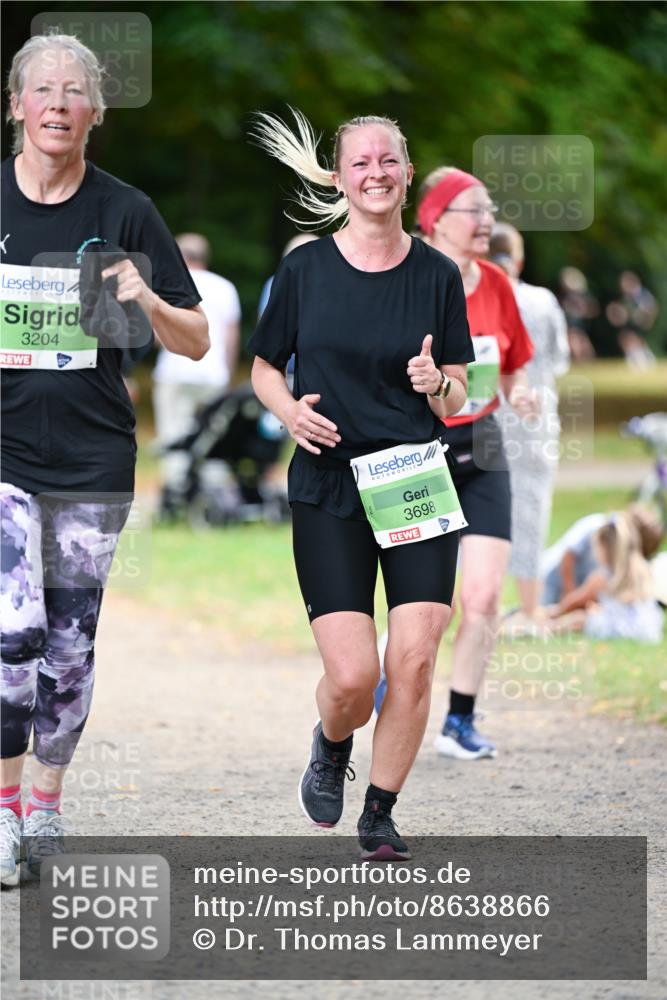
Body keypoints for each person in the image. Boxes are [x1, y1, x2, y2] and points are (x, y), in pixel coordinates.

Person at [0, 33, 209, 886]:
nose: (57, 103)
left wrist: (147, 296)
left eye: (73, 91)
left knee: (70, 648)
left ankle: (46, 800)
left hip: (92, 459)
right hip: (4, 453)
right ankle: (7, 812)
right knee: (12, 631)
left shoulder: (125, 210)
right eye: (41, 89)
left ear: (96, 113)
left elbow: (196, 339)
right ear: (15, 105)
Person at [248, 110, 473, 860]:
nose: (374, 173)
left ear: (407, 173)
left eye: (387, 161)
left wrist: (435, 380)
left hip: (413, 479)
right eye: (359, 163)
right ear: (341, 178)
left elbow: (457, 392)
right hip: (329, 484)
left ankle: (378, 810)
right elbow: (262, 368)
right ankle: (332, 738)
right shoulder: (305, 269)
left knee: (413, 654)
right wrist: (288, 414)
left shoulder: (437, 274)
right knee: (352, 676)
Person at [415, 167, 537, 760]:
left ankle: (459, 720)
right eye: (473, 210)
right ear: (435, 220)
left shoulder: (496, 283)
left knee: (484, 596)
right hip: (420, 446)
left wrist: (521, 394)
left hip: (484, 442)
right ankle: (396, 674)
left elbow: (512, 364)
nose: (487, 221)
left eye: (490, 210)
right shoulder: (408, 280)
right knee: (428, 603)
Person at [489, 223, 570, 636]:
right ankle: (530, 607)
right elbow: (560, 359)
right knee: (532, 509)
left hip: (488, 421)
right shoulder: (542, 300)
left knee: (483, 513)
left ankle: (481, 603)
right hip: (535, 421)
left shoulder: (483, 298)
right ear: (519, 259)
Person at [152, 232, 241, 513]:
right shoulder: (225, 287)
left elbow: (158, 334)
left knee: (174, 433)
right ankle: (212, 497)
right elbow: (230, 336)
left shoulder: (170, 284)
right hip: (212, 374)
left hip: (175, 371)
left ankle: (176, 495)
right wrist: (227, 372)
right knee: (212, 434)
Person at [543, 513, 664, 645]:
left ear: (605, 549)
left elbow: (574, 602)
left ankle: (546, 629)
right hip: (648, 629)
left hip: (620, 628)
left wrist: (553, 612)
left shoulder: (602, 576)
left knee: (580, 618)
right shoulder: (642, 569)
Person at [540, 504, 664, 609]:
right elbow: (567, 557)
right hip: (551, 578)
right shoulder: (598, 527)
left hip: (579, 588)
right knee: (546, 610)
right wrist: (569, 594)